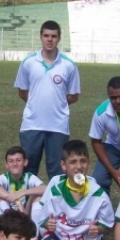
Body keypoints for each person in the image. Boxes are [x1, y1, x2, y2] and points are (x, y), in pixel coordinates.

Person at [29, 140, 114, 240]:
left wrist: (99, 230)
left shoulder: (98, 194)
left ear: (88, 163)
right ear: (64, 165)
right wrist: (47, 224)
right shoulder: (55, 186)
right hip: (58, 238)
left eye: (83, 161)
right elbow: (43, 218)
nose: (79, 166)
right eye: (73, 162)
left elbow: (108, 223)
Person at [14, 20, 80, 179]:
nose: (50, 39)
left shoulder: (69, 65)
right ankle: (27, 197)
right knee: (27, 171)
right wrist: (36, 103)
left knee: (58, 173)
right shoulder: (28, 62)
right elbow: (22, 91)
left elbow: (74, 95)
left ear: (59, 38)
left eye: (54, 36)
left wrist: (57, 104)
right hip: (32, 124)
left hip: (58, 126)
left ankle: (56, 197)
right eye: (46, 35)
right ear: (40, 37)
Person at [0, 145, 45, 222]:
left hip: (26, 211)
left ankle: (35, 227)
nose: (15, 164)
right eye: (11, 161)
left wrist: (23, 193)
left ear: (25, 162)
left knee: (38, 196)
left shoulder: (29, 177)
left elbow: (45, 188)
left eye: (18, 160)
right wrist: (17, 201)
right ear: (6, 164)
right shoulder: (3, 178)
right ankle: (8, 224)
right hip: (10, 211)